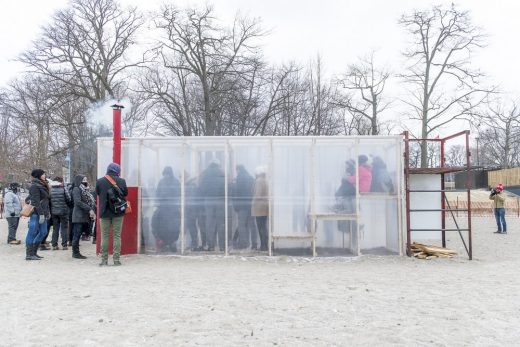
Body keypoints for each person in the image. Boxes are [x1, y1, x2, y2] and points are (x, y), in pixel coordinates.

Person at [96, 163, 128, 266]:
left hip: (104, 212)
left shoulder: (100, 181)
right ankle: (116, 260)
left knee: (104, 236)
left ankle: (104, 260)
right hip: (118, 212)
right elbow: (125, 193)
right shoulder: (122, 181)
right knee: (117, 235)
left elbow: (97, 192)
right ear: (117, 170)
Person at [152, 166, 181, 253]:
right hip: (170, 208)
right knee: (170, 226)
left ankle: (169, 243)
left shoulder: (162, 182)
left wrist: (160, 201)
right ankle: (169, 243)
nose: (166, 176)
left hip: (167, 208)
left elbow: (158, 194)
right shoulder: (175, 182)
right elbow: (178, 193)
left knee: (169, 226)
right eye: (166, 174)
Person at [199, 159, 226, 252]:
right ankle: (222, 246)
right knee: (221, 223)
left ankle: (211, 245)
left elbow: (201, 188)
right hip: (220, 200)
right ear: (218, 165)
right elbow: (227, 186)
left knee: (210, 223)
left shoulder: (205, 173)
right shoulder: (222, 173)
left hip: (208, 200)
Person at [26, 169, 51, 261]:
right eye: (43, 174)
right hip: (36, 214)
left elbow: (45, 200)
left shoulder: (43, 185)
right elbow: (36, 202)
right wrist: (41, 214)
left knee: (43, 232)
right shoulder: (35, 186)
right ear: (38, 175)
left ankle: (34, 252)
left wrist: (47, 212)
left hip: (43, 213)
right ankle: (29, 254)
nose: (45, 175)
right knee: (32, 232)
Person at [71, 175, 95, 259]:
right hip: (78, 215)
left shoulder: (85, 190)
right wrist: (89, 209)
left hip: (84, 215)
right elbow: (78, 202)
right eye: (84, 180)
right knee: (76, 234)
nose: (86, 181)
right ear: (79, 180)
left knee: (80, 233)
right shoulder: (77, 189)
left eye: (86, 179)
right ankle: (75, 253)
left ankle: (76, 252)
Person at [231, 165, 255, 249]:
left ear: (238, 170)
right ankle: (253, 243)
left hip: (242, 206)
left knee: (241, 225)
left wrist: (235, 205)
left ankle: (243, 244)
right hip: (250, 205)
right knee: (250, 225)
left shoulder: (239, 178)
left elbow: (236, 193)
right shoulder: (251, 178)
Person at [50, 176, 72, 250]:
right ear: (61, 181)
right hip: (63, 211)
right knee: (64, 228)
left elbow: (49, 200)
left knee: (55, 228)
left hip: (54, 211)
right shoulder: (63, 188)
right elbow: (69, 199)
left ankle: (54, 245)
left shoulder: (50, 189)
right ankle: (64, 245)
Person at [251, 166, 269, 251]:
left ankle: (263, 246)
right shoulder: (265, 180)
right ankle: (265, 245)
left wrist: (253, 199)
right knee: (264, 227)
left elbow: (257, 195)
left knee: (260, 227)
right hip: (265, 207)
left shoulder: (258, 181)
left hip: (259, 208)